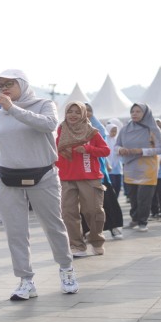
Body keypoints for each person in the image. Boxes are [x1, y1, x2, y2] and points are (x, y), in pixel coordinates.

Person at [0, 69, 78, 301]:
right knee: (15, 231)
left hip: (43, 175)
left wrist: (13, 108)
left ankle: (66, 269)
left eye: (8, 84)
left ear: (22, 84)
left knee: (53, 225)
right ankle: (25, 280)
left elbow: (48, 125)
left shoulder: (44, 104)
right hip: (7, 177)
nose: (3, 88)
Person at [56, 101, 109, 257]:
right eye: (69, 112)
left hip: (89, 177)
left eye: (77, 112)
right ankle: (77, 245)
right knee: (68, 212)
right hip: (67, 178)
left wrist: (88, 149)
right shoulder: (61, 129)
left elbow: (105, 150)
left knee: (93, 211)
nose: (73, 115)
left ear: (84, 114)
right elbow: (56, 151)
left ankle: (96, 241)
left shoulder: (92, 132)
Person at [115, 103, 161, 233]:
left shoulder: (153, 130)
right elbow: (116, 146)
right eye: (132, 111)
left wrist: (141, 151)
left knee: (144, 197)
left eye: (138, 111)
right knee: (132, 196)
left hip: (147, 169)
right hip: (130, 168)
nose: (134, 114)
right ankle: (134, 219)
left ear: (146, 113)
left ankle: (143, 222)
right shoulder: (125, 129)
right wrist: (121, 150)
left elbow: (160, 149)